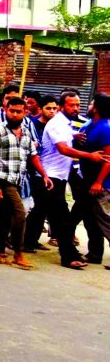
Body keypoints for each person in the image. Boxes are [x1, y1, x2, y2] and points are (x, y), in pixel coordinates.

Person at [31, 92, 107, 269]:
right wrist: (90, 155)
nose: (76, 108)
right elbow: (63, 149)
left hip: (59, 176)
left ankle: (23, 242)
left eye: (78, 105)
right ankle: (69, 256)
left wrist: (74, 135)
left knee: (42, 212)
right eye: (71, 105)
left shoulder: (66, 124)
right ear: (61, 106)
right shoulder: (57, 123)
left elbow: (66, 137)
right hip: (50, 176)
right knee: (61, 218)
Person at [0, 97, 51, 270]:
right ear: (6, 111)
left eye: (18, 111)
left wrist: (44, 175)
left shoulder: (27, 132)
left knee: (2, 216)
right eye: (11, 111)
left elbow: (33, 156)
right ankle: (19, 253)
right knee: (20, 214)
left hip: (18, 179)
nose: (14, 114)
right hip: (3, 179)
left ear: (24, 113)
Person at [78, 93, 110, 268]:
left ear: (96, 107)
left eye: (91, 103)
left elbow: (108, 159)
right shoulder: (89, 124)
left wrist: (99, 182)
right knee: (91, 220)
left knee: (106, 220)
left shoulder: (106, 128)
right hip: (87, 180)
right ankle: (95, 253)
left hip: (101, 184)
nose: (88, 105)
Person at [23, 95, 57, 252]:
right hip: (34, 171)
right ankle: (25, 239)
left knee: (43, 208)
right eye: (48, 108)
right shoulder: (34, 125)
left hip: (49, 171)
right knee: (37, 207)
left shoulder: (55, 126)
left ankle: (32, 239)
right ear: (41, 109)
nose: (52, 111)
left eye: (54, 108)